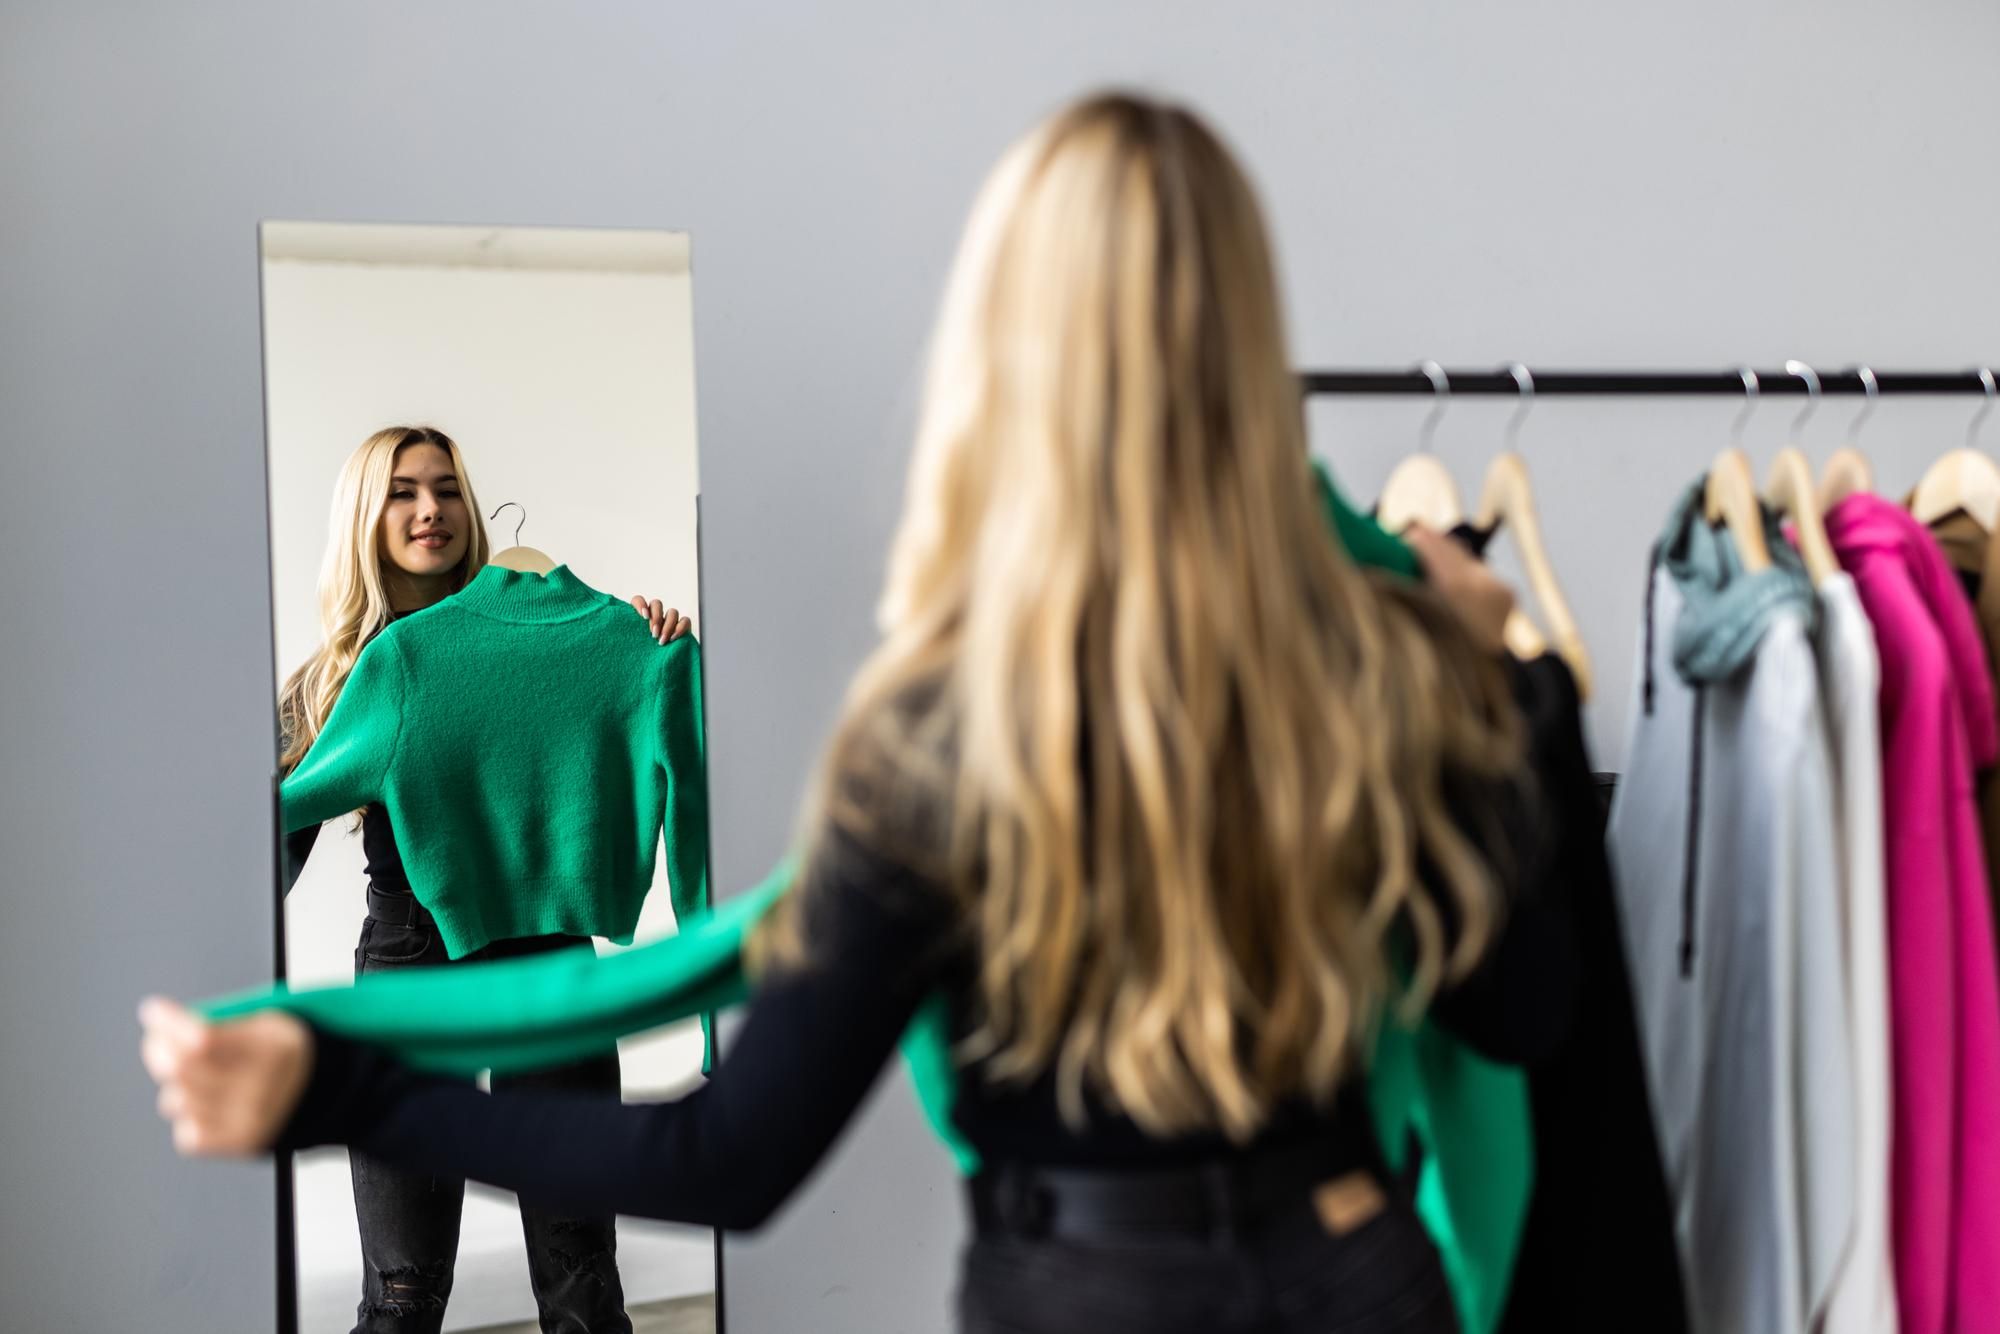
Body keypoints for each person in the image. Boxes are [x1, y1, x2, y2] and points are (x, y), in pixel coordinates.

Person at [143, 95, 1570, 1333]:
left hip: (1079, 1294)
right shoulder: (1402, 676)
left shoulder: (944, 730)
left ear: (1000, 356)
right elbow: (1526, 1014)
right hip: (1362, 1281)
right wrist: (1499, 680)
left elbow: (732, 1157)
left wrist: (346, 1093)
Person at [275, 424, 691, 1334]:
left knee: (583, 1276)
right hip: (410, 970)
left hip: (549, 960)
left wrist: (643, 640)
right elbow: (263, 855)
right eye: (403, 491)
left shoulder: (571, 633)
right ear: (365, 515)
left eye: (448, 489)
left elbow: (672, 749)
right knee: (403, 1294)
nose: (432, 511)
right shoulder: (335, 681)